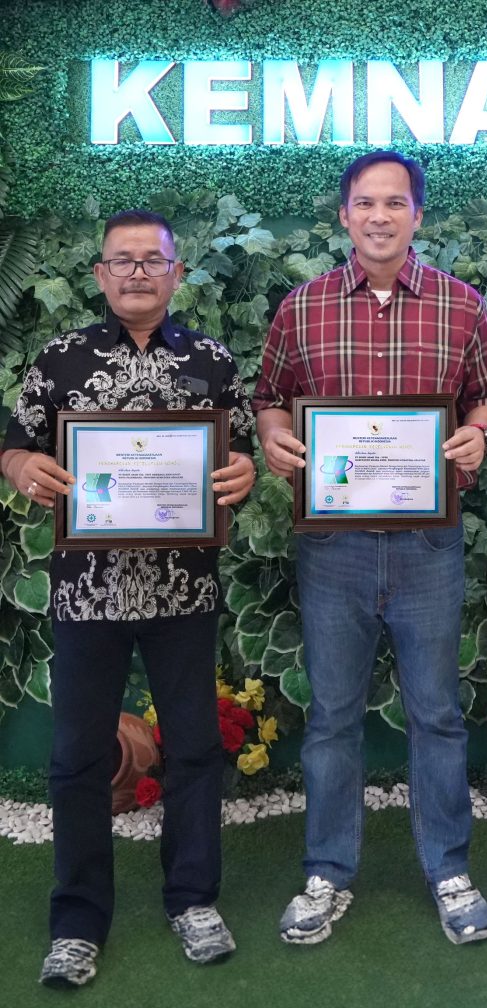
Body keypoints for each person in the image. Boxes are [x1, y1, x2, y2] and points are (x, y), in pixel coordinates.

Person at [253, 151, 487, 946]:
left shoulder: (462, 306)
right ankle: (327, 874)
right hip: (334, 546)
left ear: (417, 216)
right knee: (332, 717)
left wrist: (478, 434)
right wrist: (274, 437)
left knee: (436, 714)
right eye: (365, 203)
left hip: (428, 543)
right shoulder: (302, 308)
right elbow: (268, 397)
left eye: (396, 203)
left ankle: (450, 870)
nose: (380, 216)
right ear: (344, 215)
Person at [1, 209, 256, 987]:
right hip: (88, 593)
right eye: (124, 260)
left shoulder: (211, 360)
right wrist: (19, 466)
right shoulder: (60, 358)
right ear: (101, 274)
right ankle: (78, 920)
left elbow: (243, 448)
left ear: (177, 273)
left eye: (153, 260)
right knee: (79, 757)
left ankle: (193, 899)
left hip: (184, 590)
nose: (139, 272)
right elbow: (14, 439)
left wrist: (244, 471)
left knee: (195, 749)